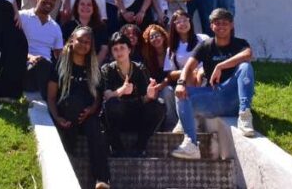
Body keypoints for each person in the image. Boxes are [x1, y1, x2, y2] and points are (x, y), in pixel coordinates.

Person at [170, 8, 256, 160]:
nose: (221, 26)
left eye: (225, 23)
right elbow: (189, 66)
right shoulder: (206, 45)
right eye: (217, 23)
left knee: (245, 66)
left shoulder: (239, 43)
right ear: (211, 26)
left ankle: (245, 115)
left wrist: (220, 66)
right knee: (181, 93)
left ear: (232, 25)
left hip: (234, 96)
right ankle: (191, 144)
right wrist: (181, 83)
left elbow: (248, 54)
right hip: (214, 98)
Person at [47, 27, 111, 189]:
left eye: (87, 42)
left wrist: (91, 109)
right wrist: (57, 117)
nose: (84, 44)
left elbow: (98, 98)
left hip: (87, 115)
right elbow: (51, 97)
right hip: (67, 114)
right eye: (80, 40)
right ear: (71, 40)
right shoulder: (60, 65)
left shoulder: (93, 68)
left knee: (96, 127)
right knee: (73, 102)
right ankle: (67, 164)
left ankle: (102, 180)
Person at [100, 32, 166, 157]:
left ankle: (140, 147)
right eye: (115, 49)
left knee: (159, 104)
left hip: (136, 115)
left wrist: (150, 95)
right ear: (112, 52)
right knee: (111, 104)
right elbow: (107, 96)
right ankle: (117, 148)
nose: (119, 52)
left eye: (122, 48)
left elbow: (145, 99)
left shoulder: (140, 69)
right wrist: (122, 90)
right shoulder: (107, 69)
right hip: (117, 119)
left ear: (129, 49)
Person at [164, 9, 209, 132]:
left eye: (185, 20)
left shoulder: (203, 39)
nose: (182, 24)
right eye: (178, 22)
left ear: (190, 21)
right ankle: (185, 119)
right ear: (173, 26)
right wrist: (187, 71)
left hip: (204, 76)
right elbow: (170, 73)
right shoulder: (172, 48)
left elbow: (212, 58)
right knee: (187, 77)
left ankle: (188, 120)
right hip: (185, 80)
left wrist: (200, 71)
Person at [20, 0, 64, 93]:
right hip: (24, 63)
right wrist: (30, 57)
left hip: (46, 68)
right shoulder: (22, 16)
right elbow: (12, 44)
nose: (49, 1)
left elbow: (59, 55)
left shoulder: (55, 27)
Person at [62, 0, 110, 64]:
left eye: (89, 5)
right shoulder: (68, 26)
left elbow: (104, 48)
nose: (85, 7)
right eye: (82, 4)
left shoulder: (101, 27)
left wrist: (94, 66)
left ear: (93, 8)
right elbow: (63, 47)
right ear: (77, 7)